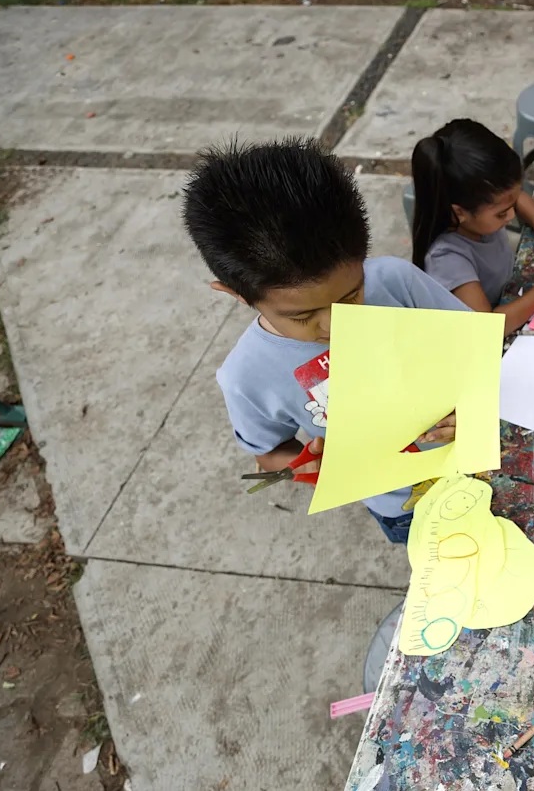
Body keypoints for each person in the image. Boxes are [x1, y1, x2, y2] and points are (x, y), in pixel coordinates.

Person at [183, 137, 468, 544]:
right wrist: (310, 466)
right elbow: (270, 454)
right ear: (238, 294)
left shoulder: (396, 281)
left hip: (476, 462)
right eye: (302, 315)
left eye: (352, 294)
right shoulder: (246, 378)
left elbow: (477, 349)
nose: (338, 324)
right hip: (403, 508)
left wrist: (471, 404)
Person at [412, 118, 534, 332]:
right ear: (459, 212)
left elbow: (516, 197)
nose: (511, 215)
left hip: (508, 293)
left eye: (511, 206)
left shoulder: (480, 213)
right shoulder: (447, 259)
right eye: (502, 214)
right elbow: (488, 327)